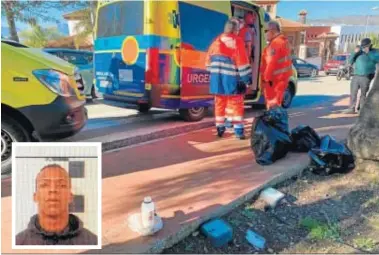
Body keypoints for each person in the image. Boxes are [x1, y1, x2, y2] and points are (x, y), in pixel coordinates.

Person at [16, 164, 98, 245]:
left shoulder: (92, 242)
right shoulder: (19, 242)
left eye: (61, 185)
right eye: (44, 185)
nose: (53, 190)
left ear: (70, 197)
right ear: (35, 197)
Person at [206, 18, 252, 139]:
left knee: (219, 105)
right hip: (232, 81)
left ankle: (220, 128)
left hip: (216, 82)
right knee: (236, 105)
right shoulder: (237, 41)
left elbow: (207, 64)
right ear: (235, 30)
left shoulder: (215, 42)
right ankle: (238, 132)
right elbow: (242, 62)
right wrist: (247, 79)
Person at [260, 20, 292, 109]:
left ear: (272, 30)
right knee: (276, 103)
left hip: (274, 80)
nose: (265, 33)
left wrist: (265, 79)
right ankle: (274, 119)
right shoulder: (283, 42)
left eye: (266, 31)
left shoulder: (276, 43)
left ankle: (273, 120)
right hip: (280, 79)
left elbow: (271, 63)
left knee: (272, 104)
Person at [343, 38, 379, 114]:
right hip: (356, 75)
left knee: (363, 94)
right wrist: (354, 53)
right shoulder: (359, 52)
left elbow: (376, 60)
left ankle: (361, 109)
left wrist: (368, 52)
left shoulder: (374, 52)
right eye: (363, 46)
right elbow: (350, 61)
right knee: (353, 92)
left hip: (366, 76)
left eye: (365, 46)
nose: (364, 48)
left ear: (370, 45)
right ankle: (351, 108)